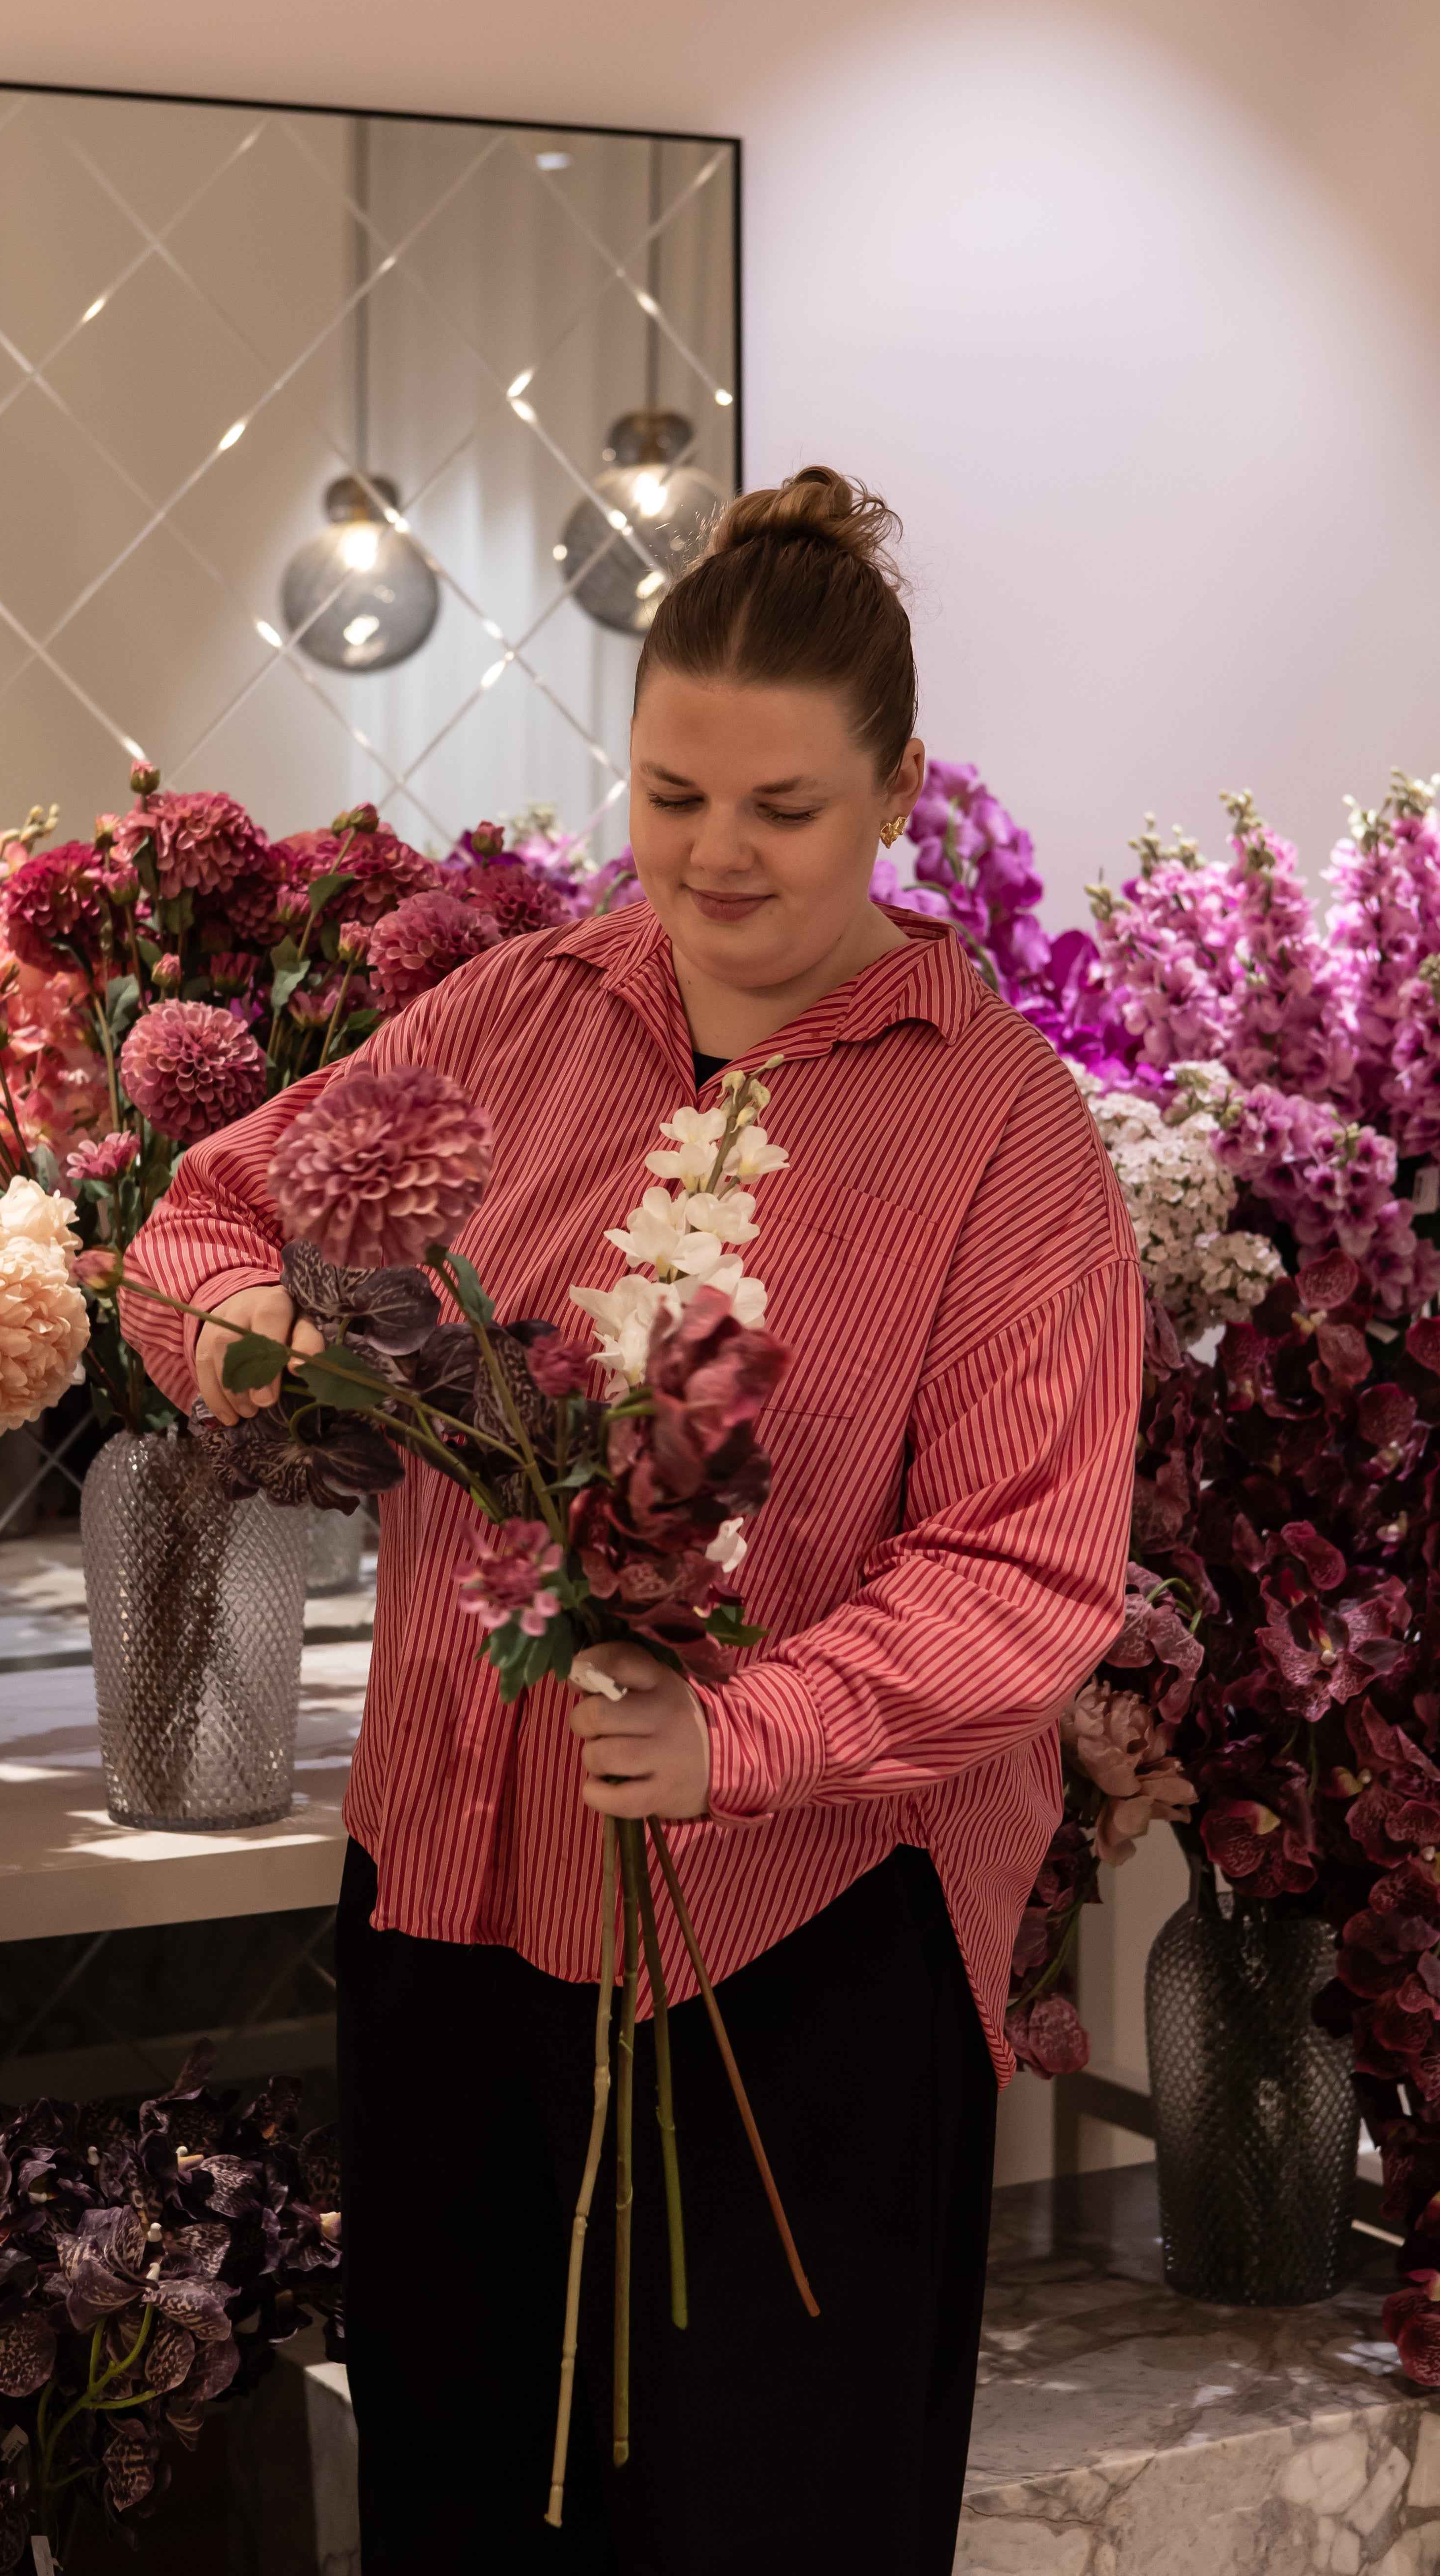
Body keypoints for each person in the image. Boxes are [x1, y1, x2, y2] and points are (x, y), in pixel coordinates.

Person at [120, 468, 1143, 2575]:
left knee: (767, 2516)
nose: (715, 854)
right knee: (463, 2501)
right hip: (458, 1894)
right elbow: (205, 1221)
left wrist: (737, 1735)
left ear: (898, 793)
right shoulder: (517, 1019)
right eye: (672, 795)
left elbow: (1028, 1568)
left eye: (782, 806)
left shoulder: (1004, 1128)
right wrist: (245, 1339)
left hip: (807, 1945)